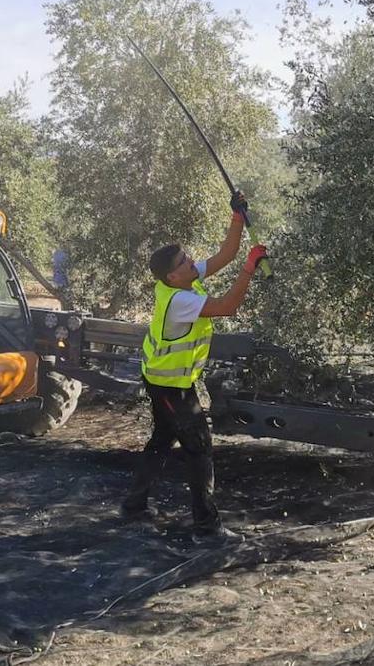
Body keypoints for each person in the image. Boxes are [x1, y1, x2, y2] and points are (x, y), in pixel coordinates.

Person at [121, 191, 268, 542]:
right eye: (185, 263)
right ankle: (206, 526)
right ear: (172, 277)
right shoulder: (182, 300)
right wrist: (250, 268)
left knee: (162, 440)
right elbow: (227, 306)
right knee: (199, 447)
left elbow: (225, 254)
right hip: (170, 385)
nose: (192, 263)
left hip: (164, 378)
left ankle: (134, 506)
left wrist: (236, 215)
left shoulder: (179, 281)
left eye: (188, 258)